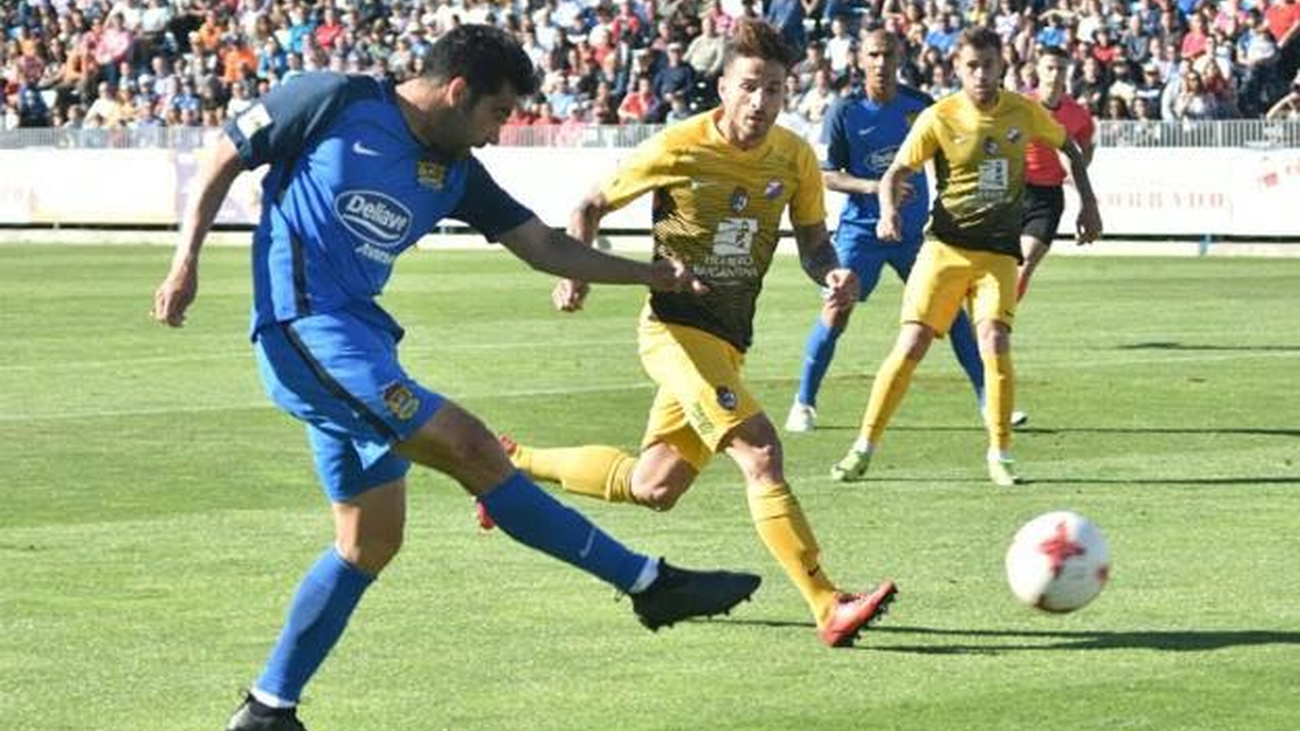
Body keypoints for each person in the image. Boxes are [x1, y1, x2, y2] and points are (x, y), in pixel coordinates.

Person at [151, 25, 762, 731]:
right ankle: (648, 582)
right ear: (458, 91)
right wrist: (185, 260)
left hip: (362, 345)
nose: (499, 134)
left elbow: (541, 245)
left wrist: (648, 274)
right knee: (473, 445)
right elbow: (226, 153)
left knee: (369, 541)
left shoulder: (458, 172)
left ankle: (267, 708)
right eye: (498, 113)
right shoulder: (332, 100)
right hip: (304, 330)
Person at [492, 19, 898, 649]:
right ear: (723, 85)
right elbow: (590, 204)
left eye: (774, 89)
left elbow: (815, 243)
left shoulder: (793, 157)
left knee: (656, 485)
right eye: (749, 87)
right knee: (761, 452)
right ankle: (827, 603)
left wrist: (833, 273)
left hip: (728, 343)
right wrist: (579, 269)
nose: (761, 102)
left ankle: (510, 463)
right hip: (675, 330)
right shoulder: (679, 146)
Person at [830, 27, 1101, 487]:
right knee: (911, 345)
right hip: (945, 249)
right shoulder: (940, 116)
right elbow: (898, 169)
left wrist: (1089, 204)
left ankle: (1000, 452)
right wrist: (889, 211)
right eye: (971, 66)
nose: (980, 74)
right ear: (957, 68)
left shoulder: (1023, 111)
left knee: (994, 341)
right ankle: (863, 446)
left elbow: (1069, 148)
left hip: (997, 253)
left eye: (988, 65)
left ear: (1002, 67)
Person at [784, 29, 986, 434]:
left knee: (951, 312)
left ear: (900, 58)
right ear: (860, 59)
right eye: (873, 54)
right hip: (862, 232)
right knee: (837, 307)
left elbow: (948, 161)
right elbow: (828, 175)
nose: (881, 62)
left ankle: (989, 399)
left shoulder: (920, 106)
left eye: (888, 54)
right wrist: (876, 187)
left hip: (916, 235)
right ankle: (804, 402)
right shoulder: (845, 110)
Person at [1018, 45, 1096, 301]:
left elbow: (1084, 150)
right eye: (1049, 68)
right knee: (1001, 263)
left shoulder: (1079, 115)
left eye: (1061, 68)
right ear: (1037, 70)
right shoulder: (1018, 105)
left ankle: (1001, 318)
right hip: (1014, 190)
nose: (1055, 74)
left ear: (1068, 72)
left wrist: (1075, 177)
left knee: (1027, 261)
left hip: (1048, 195)